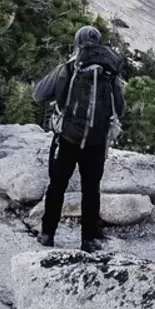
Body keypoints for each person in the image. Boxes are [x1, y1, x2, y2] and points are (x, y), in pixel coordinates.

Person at [32, 25, 127, 250]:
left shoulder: (67, 68)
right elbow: (120, 109)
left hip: (67, 139)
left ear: (76, 43)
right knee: (91, 190)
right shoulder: (110, 74)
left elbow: (38, 94)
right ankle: (89, 240)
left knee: (57, 186)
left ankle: (47, 234)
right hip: (96, 142)